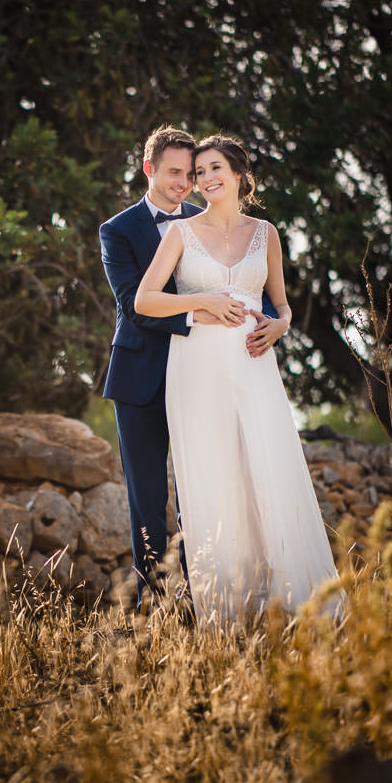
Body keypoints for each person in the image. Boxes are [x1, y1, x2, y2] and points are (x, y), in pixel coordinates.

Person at [134, 134, 340, 621]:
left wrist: (283, 323)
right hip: (197, 366)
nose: (204, 180)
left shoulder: (265, 233)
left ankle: (294, 605)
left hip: (254, 367)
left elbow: (282, 303)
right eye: (198, 172)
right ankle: (231, 611)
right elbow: (144, 300)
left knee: (267, 472)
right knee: (214, 478)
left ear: (239, 173)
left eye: (212, 169)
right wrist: (199, 301)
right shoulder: (180, 234)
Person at [99, 126, 276, 611]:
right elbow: (134, 307)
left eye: (189, 173)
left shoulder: (208, 221)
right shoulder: (117, 230)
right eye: (174, 172)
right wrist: (199, 310)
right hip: (141, 382)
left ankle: (212, 602)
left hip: (205, 377)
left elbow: (249, 292)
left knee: (208, 489)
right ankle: (152, 608)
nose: (184, 183)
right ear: (149, 170)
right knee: (148, 499)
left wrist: (273, 323)